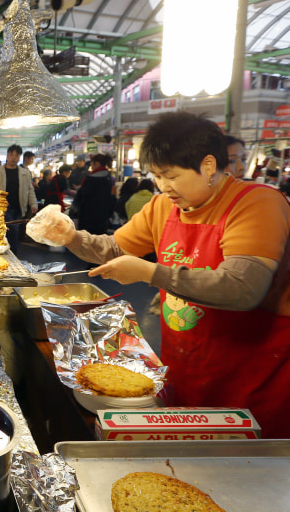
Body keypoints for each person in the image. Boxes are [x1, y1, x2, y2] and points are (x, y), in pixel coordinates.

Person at [30, 111, 290, 439]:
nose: (164, 186)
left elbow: (244, 287)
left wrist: (151, 273)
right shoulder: (162, 207)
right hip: (186, 366)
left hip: (252, 378)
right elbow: (111, 249)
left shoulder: (257, 204)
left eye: (172, 176)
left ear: (209, 166)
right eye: (157, 176)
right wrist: (71, 237)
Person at [0, 144, 37, 254]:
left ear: (20, 157)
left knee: (15, 232)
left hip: (19, 207)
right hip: (2, 208)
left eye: (17, 155)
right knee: (11, 231)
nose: (14, 157)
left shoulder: (25, 173)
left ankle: (10, 254)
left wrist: (33, 203)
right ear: (7, 155)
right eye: (11, 154)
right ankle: (13, 254)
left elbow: (30, 189)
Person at [71, 153, 116, 234]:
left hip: (89, 217)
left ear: (96, 163)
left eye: (92, 163)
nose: (91, 165)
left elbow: (83, 195)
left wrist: (79, 190)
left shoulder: (92, 178)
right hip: (103, 217)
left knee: (87, 241)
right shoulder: (108, 177)